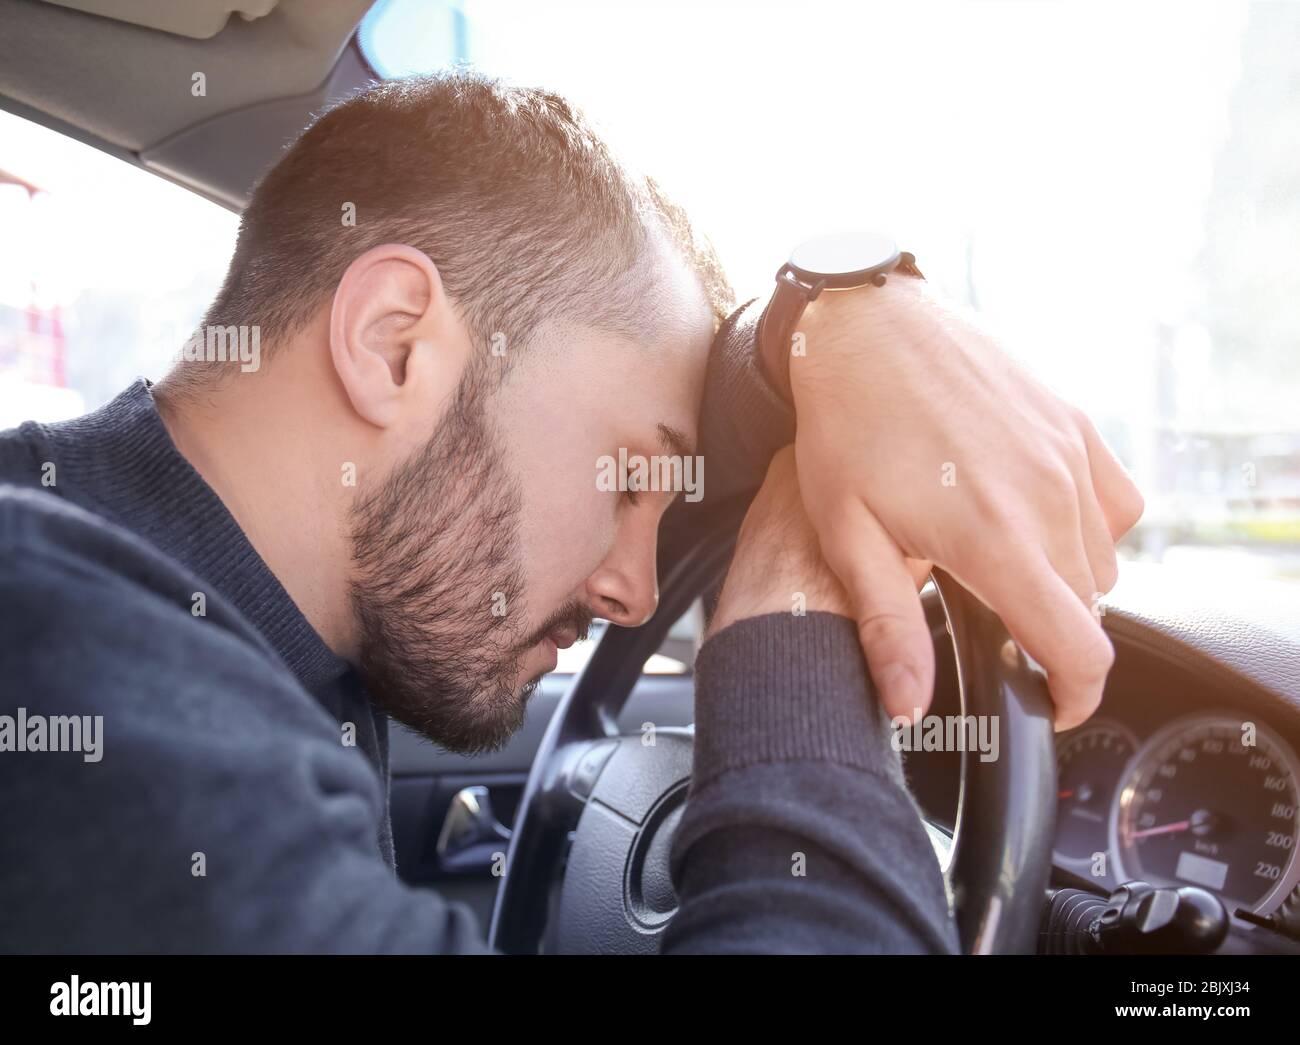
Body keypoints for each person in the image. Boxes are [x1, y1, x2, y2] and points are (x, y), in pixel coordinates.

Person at [0, 73, 1141, 953]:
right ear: (394, 344)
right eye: (633, 478)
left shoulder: (216, 630)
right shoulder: (67, 673)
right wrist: (791, 614)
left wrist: (835, 313)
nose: (637, 591)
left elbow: (694, 380)